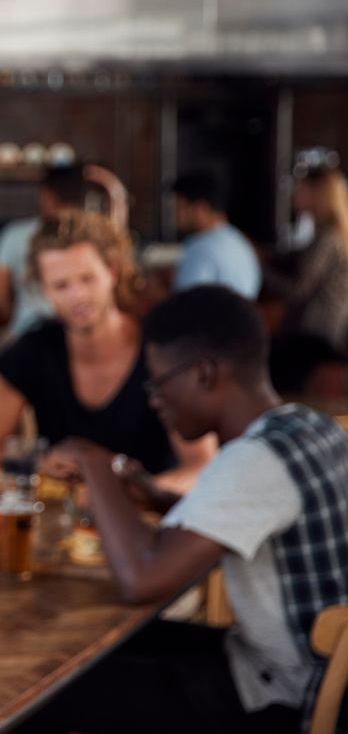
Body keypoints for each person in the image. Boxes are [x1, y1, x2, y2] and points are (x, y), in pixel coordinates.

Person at [18, 285, 348, 734]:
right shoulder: (308, 427)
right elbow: (242, 516)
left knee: (41, 687)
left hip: (281, 700)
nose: (154, 401)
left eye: (157, 383)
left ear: (203, 374)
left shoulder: (253, 462)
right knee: (97, 652)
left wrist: (91, 460)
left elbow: (141, 578)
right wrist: (154, 497)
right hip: (316, 671)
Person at [0, 210, 216, 492]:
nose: (77, 296)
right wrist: (42, 462)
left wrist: (137, 495)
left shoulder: (163, 349)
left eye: (87, 279)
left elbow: (202, 466)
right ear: (44, 290)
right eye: (61, 285)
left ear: (112, 272)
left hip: (153, 521)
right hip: (67, 528)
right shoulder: (35, 350)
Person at [267, 167, 348, 393]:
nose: (294, 194)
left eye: (300, 189)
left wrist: (260, 270)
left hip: (313, 338)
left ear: (317, 195)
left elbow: (297, 290)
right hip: (316, 336)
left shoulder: (328, 239)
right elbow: (292, 257)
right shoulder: (327, 236)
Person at [0, 165, 85, 342]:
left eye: (86, 279)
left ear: (47, 196)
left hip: (29, 334)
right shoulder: (98, 238)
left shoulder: (14, 235)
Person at [170, 169, 262, 299]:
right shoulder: (239, 240)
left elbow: (186, 307)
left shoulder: (199, 248)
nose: (173, 218)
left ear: (200, 209)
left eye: (178, 208)